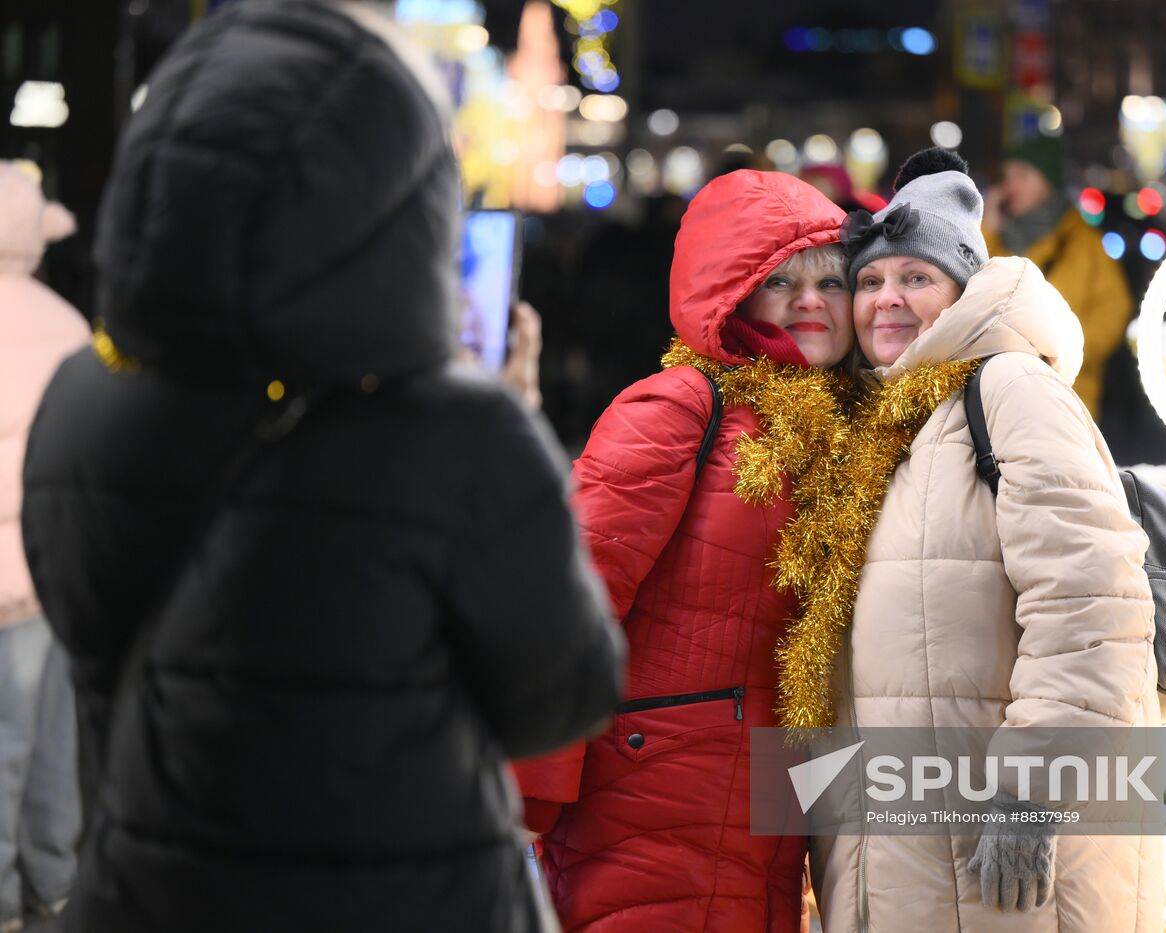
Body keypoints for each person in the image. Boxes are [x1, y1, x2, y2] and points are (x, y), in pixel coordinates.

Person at [20, 3, 622, 931]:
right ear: (402, 199)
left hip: (154, 888)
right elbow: (559, 697)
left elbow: (100, 648)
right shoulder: (460, 432)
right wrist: (515, 423)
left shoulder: (82, 397)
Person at [809, 149, 1162, 932]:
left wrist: (1033, 796)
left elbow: (1090, 603)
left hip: (1001, 867)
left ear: (963, 288)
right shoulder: (877, 421)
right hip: (908, 863)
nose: (886, 300)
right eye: (869, 280)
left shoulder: (1007, 388)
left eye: (915, 278)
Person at [513, 169, 853, 932]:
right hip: (648, 799)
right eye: (780, 279)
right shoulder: (681, 404)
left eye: (831, 278)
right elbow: (569, 596)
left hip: (763, 802)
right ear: (731, 294)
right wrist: (525, 792)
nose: (811, 299)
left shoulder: (833, 433)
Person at [0, 162, 86, 933]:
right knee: (52, 738)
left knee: (3, 744)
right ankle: (54, 883)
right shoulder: (67, 326)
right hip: (48, 569)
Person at [982, 133, 1134, 420]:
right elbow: (970, 295)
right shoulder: (993, 236)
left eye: (1023, 176)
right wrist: (987, 229)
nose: (1010, 186)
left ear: (1048, 183)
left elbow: (1114, 308)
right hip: (998, 397)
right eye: (1008, 176)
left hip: (1068, 396)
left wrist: (1062, 354)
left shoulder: (1083, 242)